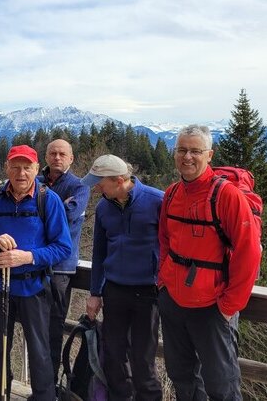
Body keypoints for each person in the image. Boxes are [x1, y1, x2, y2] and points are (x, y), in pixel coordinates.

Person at [158, 125, 261, 401]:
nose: (187, 157)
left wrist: (229, 306)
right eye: (181, 150)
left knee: (221, 386)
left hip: (211, 306)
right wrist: (163, 284)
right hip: (174, 301)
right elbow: (165, 240)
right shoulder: (172, 193)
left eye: (195, 151)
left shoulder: (226, 196)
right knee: (181, 377)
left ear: (210, 155)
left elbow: (249, 252)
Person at [0, 144, 71, 401]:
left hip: (33, 287)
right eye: (15, 166)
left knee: (39, 351)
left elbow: (63, 247)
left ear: (36, 169)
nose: (21, 173)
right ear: (7, 168)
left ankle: (44, 397)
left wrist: (28, 257)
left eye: (27, 167)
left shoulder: (48, 200)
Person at [82, 154, 164, 401]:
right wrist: (95, 292)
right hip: (114, 291)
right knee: (114, 356)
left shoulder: (157, 201)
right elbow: (99, 253)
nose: (96, 187)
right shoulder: (103, 207)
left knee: (143, 360)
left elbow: (172, 245)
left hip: (149, 292)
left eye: (100, 182)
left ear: (119, 180)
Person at [38, 139, 90, 385]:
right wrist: (57, 205)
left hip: (60, 267)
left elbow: (66, 218)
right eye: (52, 153)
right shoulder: (36, 181)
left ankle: (49, 388)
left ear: (71, 158)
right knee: (33, 326)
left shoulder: (79, 187)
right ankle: (39, 384)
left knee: (53, 327)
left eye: (62, 154)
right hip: (34, 264)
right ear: (46, 157)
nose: (57, 157)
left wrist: (39, 208)